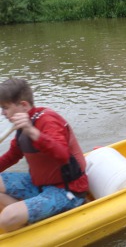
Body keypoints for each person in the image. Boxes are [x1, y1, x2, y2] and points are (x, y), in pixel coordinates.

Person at [0, 78, 88, 232]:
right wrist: (27, 129)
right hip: (39, 185)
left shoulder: (48, 120)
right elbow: (12, 156)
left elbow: (63, 154)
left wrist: (32, 132)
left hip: (66, 190)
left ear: (24, 105)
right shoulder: (23, 125)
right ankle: (26, 215)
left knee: (8, 218)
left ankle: (18, 218)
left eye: (5, 107)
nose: (3, 113)